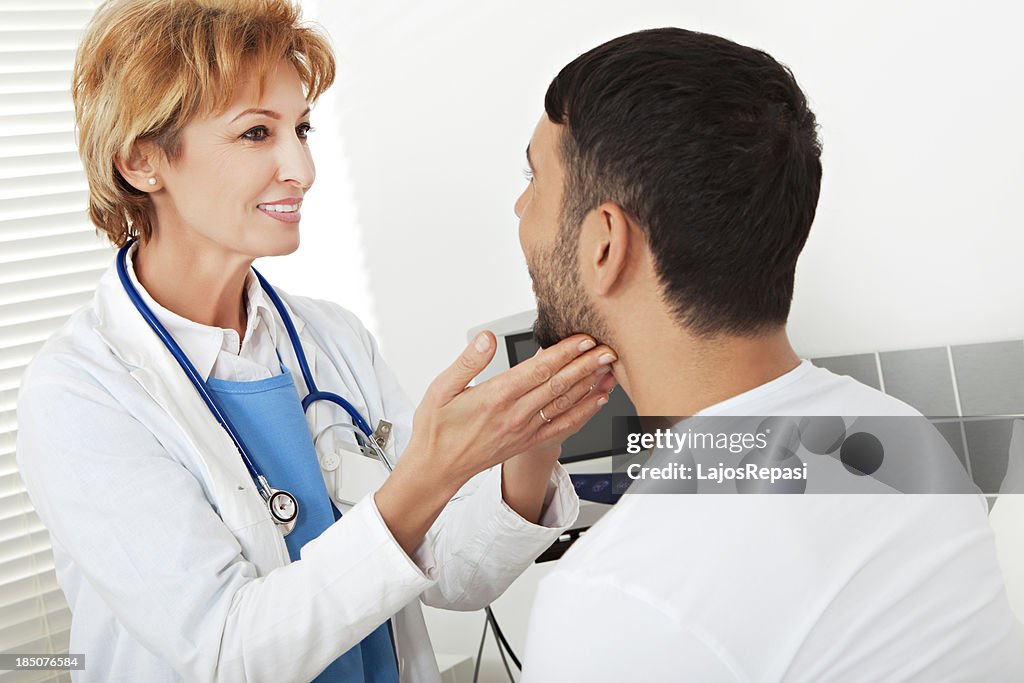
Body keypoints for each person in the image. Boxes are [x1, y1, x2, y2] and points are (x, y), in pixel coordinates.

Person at [14, 1, 620, 681]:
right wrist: (431, 470)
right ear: (142, 160)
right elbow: (227, 651)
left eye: (301, 128)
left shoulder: (330, 339)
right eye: (255, 133)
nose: (300, 168)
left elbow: (452, 573)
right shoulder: (79, 393)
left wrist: (531, 442)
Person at [514, 28, 1024, 681]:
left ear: (604, 246)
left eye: (534, 177)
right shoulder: (903, 444)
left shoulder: (619, 597)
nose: (520, 207)